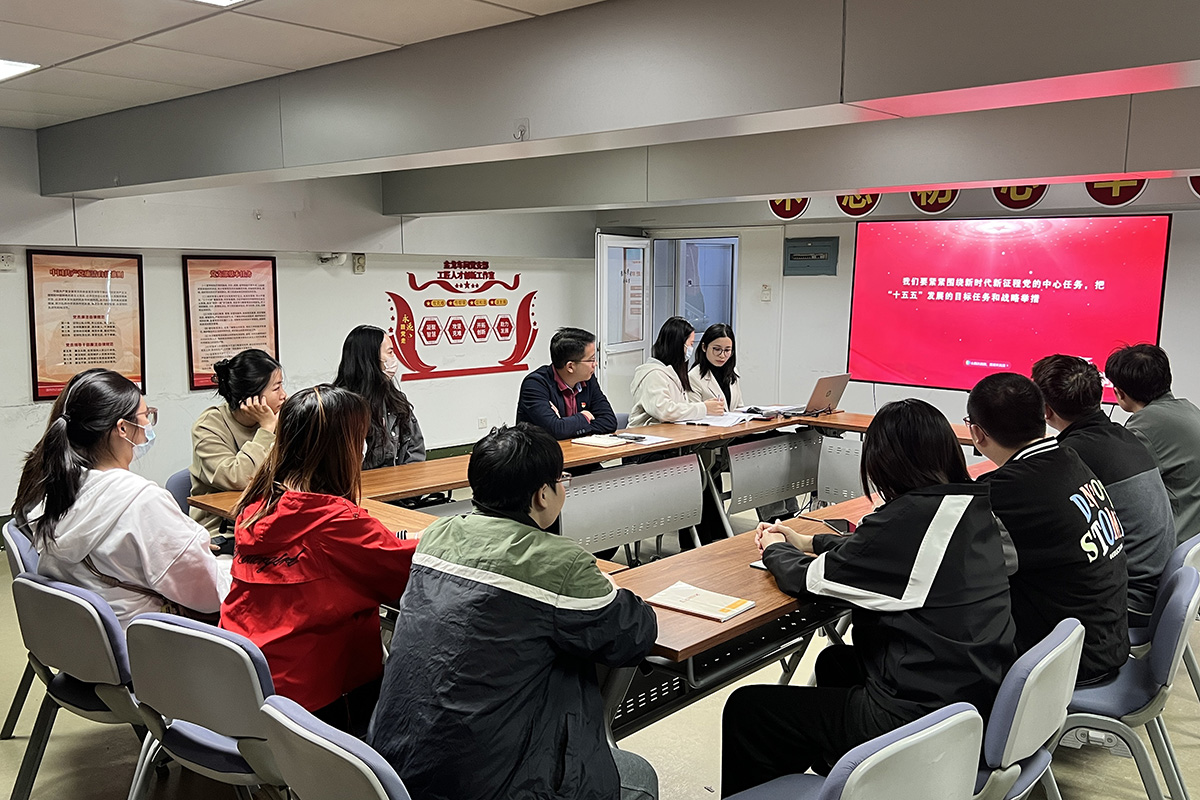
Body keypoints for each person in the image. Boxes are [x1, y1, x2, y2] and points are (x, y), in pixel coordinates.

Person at [722, 399, 1016, 796]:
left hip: (917, 718)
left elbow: (805, 578)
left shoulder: (906, 517)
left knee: (750, 710)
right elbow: (885, 554)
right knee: (834, 664)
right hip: (972, 696)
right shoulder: (971, 506)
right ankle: (845, 781)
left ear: (884, 461)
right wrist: (808, 541)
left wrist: (775, 548)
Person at [369, 423, 660, 800]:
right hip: (483, 785)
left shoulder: (438, 534)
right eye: (561, 480)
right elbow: (634, 634)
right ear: (542, 495)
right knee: (639, 777)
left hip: (395, 767)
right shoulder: (561, 564)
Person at [221, 385, 416, 735]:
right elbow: (410, 578)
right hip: (315, 706)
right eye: (361, 438)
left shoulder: (255, 508)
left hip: (246, 690)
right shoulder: (333, 523)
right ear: (342, 448)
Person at [13, 369, 228, 628]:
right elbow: (210, 597)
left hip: (93, 641)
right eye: (146, 415)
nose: (149, 424)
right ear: (123, 428)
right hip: (151, 642)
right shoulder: (142, 501)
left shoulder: (56, 489)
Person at [968, 372, 1128, 683]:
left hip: (1067, 662)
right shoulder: (1069, 459)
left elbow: (962, 572)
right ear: (1043, 415)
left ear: (977, 433)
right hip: (1105, 639)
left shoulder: (1004, 493)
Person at [1032, 354, 1173, 627]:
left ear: (1046, 411)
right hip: (1152, 590)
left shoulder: (1071, 457)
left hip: (1128, 603)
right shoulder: (1126, 437)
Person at [688, 323, 799, 521]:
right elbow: (695, 418)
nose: (722, 355)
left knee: (777, 441)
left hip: (736, 433)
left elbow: (737, 407)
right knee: (762, 453)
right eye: (717, 349)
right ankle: (774, 516)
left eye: (727, 350)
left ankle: (788, 511)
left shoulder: (732, 374)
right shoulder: (694, 377)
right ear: (704, 347)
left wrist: (751, 415)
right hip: (715, 443)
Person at [1106, 344, 1200, 546]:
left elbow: (1116, 487)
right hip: (1194, 540)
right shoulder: (1189, 409)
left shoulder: (1143, 429)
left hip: (1175, 543)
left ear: (1119, 393)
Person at [190, 348, 287, 539]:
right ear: (252, 398)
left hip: (273, 519)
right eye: (276, 389)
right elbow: (239, 478)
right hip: (224, 528)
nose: (284, 395)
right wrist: (266, 429)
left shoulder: (281, 416)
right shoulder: (208, 426)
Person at [333, 325, 426, 470]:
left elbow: (415, 450)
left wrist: (407, 480)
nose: (394, 358)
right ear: (369, 358)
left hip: (399, 482)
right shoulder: (340, 405)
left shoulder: (395, 400)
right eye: (390, 352)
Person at [516, 326, 618, 439]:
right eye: (591, 360)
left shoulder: (588, 380)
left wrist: (567, 426)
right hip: (541, 450)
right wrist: (585, 417)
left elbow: (609, 422)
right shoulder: (535, 385)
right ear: (570, 366)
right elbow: (556, 429)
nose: (595, 364)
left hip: (577, 448)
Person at [628, 316, 724, 427]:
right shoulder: (653, 374)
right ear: (678, 345)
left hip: (670, 432)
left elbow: (678, 410)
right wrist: (704, 408)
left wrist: (705, 407)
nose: (691, 349)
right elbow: (664, 411)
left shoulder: (673, 373)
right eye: (690, 344)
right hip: (647, 434)